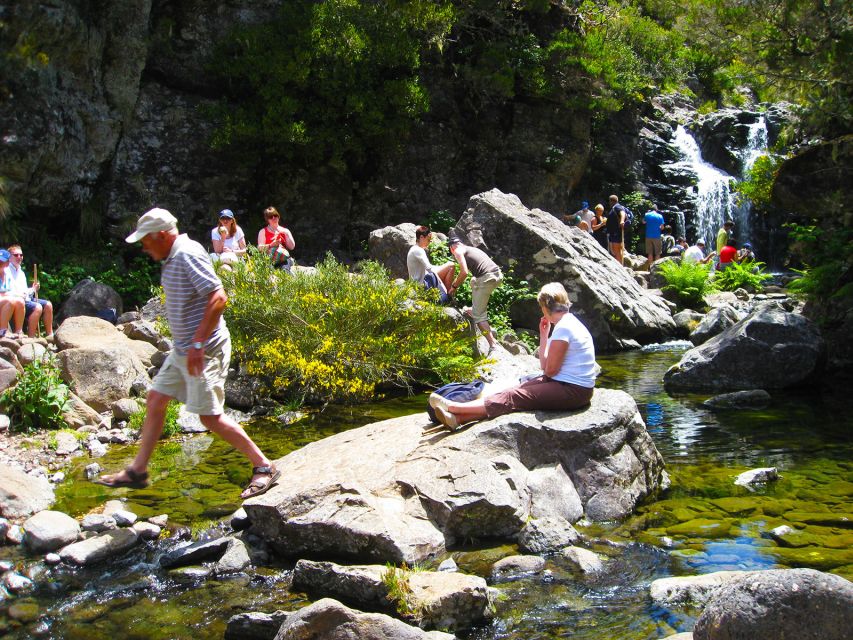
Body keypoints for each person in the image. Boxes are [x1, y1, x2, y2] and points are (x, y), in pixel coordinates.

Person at [96, 208, 280, 499]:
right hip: (185, 349)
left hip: (205, 349)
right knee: (156, 399)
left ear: (162, 234)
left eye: (146, 239)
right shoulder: (171, 257)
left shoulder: (186, 254)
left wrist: (197, 344)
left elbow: (219, 297)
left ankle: (264, 466)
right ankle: (138, 471)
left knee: (210, 418)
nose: (143, 246)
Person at [429, 282, 596, 429]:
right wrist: (544, 335)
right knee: (518, 388)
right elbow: (546, 369)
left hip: (573, 391)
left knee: (513, 396)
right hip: (567, 385)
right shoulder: (567, 323)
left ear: (545, 307)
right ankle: (458, 419)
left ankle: (454, 408)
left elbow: (549, 371)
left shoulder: (564, 328)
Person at [447, 236, 502, 353]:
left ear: (451, 248)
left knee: (479, 316)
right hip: (497, 275)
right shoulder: (470, 248)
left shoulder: (457, 251)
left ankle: (493, 345)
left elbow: (464, 272)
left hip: (487, 278)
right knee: (474, 281)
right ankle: (475, 309)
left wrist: (453, 287)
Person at [6, 244, 53, 337]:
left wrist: (33, 289)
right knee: (37, 307)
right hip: (16, 301)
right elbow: (11, 292)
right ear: (9, 257)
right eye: (16, 255)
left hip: (26, 299)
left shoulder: (21, 272)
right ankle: (31, 337)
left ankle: (50, 335)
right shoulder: (6, 271)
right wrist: (31, 290)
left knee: (48, 305)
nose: (19, 257)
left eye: (21, 255)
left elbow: (24, 291)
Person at [407, 226, 454, 301]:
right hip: (421, 286)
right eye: (428, 240)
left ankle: (447, 296)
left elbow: (428, 267)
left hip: (417, 284)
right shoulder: (418, 250)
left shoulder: (414, 249)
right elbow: (430, 270)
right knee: (451, 266)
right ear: (422, 237)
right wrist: (442, 287)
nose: (429, 242)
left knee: (449, 266)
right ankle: (448, 296)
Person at [0, 249, 26, 339]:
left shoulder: (7, 275)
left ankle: (19, 332)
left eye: (1, 262)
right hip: (4, 300)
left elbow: (10, 291)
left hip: (4, 299)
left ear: (7, 263)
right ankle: (3, 331)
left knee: (20, 301)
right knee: (10, 301)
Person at [605, 194, 627, 265]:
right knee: (615, 250)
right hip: (614, 232)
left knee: (616, 249)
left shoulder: (617, 206)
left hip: (616, 232)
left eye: (609, 201)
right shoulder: (614, 207)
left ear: (611, 201)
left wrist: (622, 221)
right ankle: (619, 264)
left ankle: (620, 266)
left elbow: (622, 213)